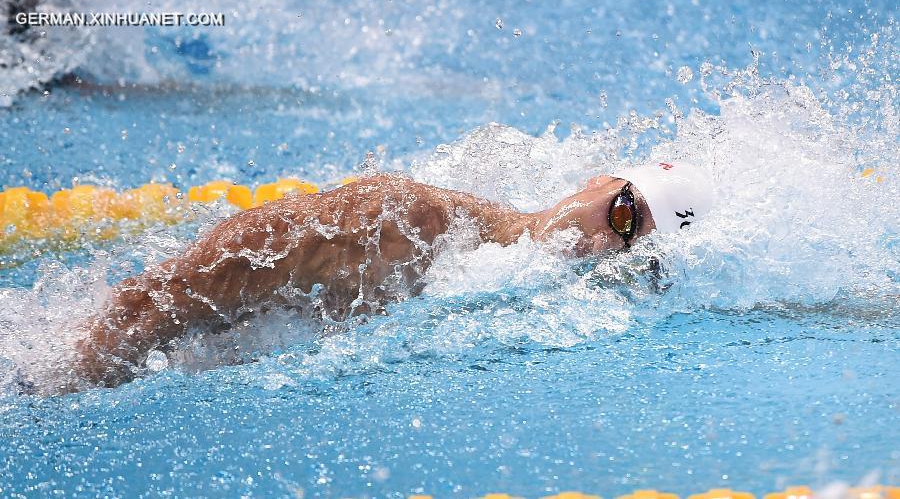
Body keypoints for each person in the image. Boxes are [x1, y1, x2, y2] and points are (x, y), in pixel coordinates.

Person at [70, 162, 713, 390]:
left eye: (636, 254)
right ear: (597, 182)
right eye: (624, 213)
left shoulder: (520, 311)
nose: (605, 245)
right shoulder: (404, 218)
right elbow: (154, 302)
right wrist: (65, 385)